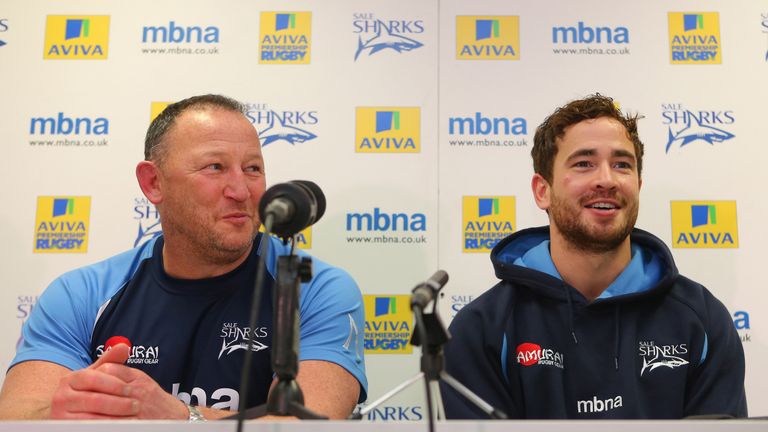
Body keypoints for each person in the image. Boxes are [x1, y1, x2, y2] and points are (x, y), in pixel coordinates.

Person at [0, 94, 367, 420]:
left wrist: (178, 416)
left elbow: (305, 424)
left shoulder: (314, 288)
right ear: (153, 183)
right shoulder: (81, 293)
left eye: (253, 168)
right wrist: (65, 412)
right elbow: (17, 413)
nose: (241, 190)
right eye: (215, 167)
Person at [442, 94, 747, 419]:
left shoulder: (703, 320)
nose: (607, 179)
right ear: (542, 191)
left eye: (622, 165)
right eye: (584, 163)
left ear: (638, 186)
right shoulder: (482, 330)